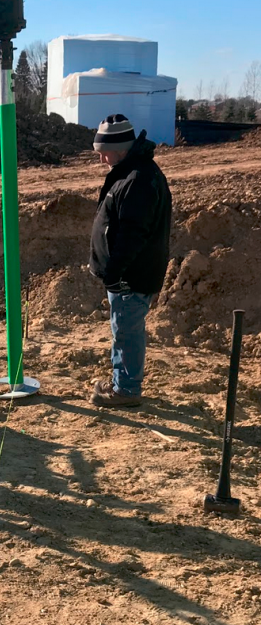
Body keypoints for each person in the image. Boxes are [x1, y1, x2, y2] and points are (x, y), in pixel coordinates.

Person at [89, 114, 172, 408]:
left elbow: (133, 234)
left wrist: (115, 271)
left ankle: (126, 390)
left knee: (126, 330)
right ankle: (122, 381)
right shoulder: (132, 171)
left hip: (131, 275)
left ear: (122, 149)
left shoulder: (138, 180)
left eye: (104, 152)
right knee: (122, 328)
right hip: (128, 273)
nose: (101, 159)